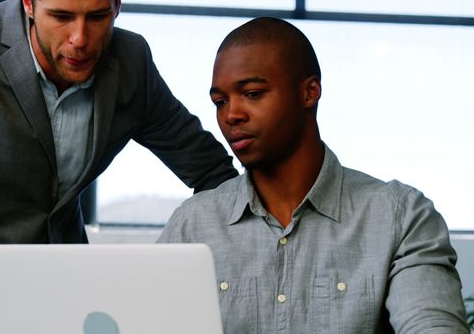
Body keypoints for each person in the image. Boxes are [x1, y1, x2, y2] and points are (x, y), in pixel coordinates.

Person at [0, 0, 238, 332]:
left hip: (70, 301)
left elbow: (211, 172)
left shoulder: (131, 61)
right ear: (29, 3)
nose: (80, 38)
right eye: (62, 17)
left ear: (117, 6)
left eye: (97, 17)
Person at [158, 17, 469, 333]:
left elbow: (432, 325)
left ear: (310, 92)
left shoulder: (400, 216)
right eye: (220, 101)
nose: (231, 115)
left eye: (252, 93)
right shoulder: (192, 225)